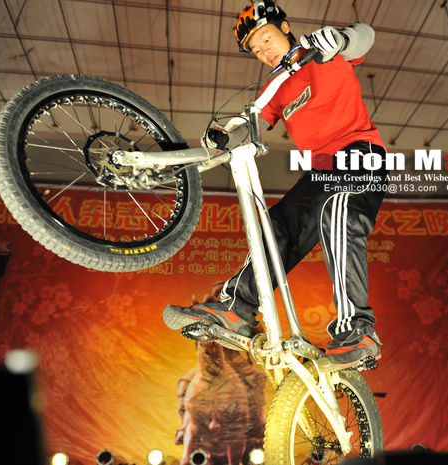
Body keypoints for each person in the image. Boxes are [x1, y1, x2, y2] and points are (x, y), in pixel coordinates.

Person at [163, 0, 387, 368]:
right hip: (318, 172)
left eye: (266, 39)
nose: (264, 51)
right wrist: (223, 136)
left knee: (338, 214)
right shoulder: (274, 87)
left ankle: (358, 330)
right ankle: (237, 308)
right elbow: (254, 127)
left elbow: (366, 36)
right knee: (278, 227)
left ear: (285, 28)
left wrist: (342, 39)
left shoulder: (325, 52)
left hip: (359, 153)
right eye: (255, 49)